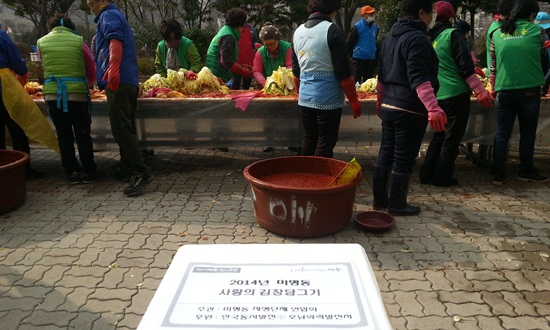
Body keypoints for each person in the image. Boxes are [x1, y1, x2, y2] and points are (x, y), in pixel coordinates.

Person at [373, 0, 447, 216]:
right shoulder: (417, 38)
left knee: (386, 152)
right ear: (421, 12)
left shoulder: (390, 38)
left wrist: (380, 101)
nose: (432, 15)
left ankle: (379, 201)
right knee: (404, 157)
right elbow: (419, 77)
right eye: (430, 11)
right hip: (409, 108)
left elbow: (382, 75)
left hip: (389, 104)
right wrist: (433, 108)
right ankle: (397, 204)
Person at [420, 1, 493, 187]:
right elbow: (464, 67)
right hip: (456, 95)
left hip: (437, 96)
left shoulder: (429, 38)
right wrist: (481, 90)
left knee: (439, 136)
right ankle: (442, 177)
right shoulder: (453, 34)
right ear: (451, 17)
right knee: (451, 139)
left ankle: (426, 173)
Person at [87, 0, 154, 196]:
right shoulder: (113, 15)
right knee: (126, 125)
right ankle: (126, 166)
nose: (91, 7)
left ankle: (139, 171)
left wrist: (113, 68)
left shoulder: (108, 15)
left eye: (92, 4)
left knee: (120, 128)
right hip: (127, 80)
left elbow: (115, 40)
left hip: (118, 81)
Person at [292, 0, 362, 158]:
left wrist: (300, 93)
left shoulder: (298, 32)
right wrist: (354, 100)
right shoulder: (332, 30)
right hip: (328, 99)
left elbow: (296, 72)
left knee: (309, 138)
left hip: (305, 98)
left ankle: (305, 176)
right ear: (333, 10)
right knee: (325, 141)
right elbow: (343, 72)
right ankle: (319, 179)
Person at [37, 14, 101, 184]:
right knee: (82, 134)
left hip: (52, 95)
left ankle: (71, 171)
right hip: (77, 95)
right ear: (71, 27)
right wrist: (88, 83)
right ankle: (89, 170)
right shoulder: (79, 41)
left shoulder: (41, 42)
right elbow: (91, 70)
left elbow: (45, 65)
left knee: (63, 135)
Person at [489, 0, 548, 184]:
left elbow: (493, 66)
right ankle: (526, 170)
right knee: (528, 133)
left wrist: (493, 87)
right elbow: (540, 58)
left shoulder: (497, 33)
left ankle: (498, 174)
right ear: (531, 15)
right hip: (529, 90)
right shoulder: (538, 32)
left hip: (503, 90)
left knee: (501, 133)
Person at [0, 28, 45, 180]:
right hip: (4, 86)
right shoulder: (1, 35)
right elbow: (15, 57)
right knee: (16, 125)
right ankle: (23, 169)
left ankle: (4, 168)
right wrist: (22, 71)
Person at [206, 7, 252, 84]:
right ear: (240, 25)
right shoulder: (228, 36)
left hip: (216, 73)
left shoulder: (225, 31)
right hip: (216, 75)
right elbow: (226, 60)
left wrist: (240, 67)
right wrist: (243, 71)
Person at [346, 5, 378, 84]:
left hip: (371, 59)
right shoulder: (357, 27)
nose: (371, 16)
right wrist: (351, 57)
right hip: (359, 59)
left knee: (369, 84)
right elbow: (349, 43)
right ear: (363, 15)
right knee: (356, 83)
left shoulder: (375, 27)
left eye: (372, 14)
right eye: (369, 14)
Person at [253, 23, 293, 87]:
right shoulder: (260, 52)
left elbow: (290, 67)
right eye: (267, 45)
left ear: (277, 40)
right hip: (268, 84)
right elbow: (257, 71)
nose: (270, 47)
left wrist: (284, 81)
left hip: (286, 84)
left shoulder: (287, 48)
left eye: (272, 44)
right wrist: (266, 83)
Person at [232, 9, 258, 90]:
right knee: (235, 83)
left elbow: (254, 42)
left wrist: (256, 45)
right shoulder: (233, 30)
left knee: (247, 85)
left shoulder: (252, 30)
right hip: (237, 60)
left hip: (248, 61)